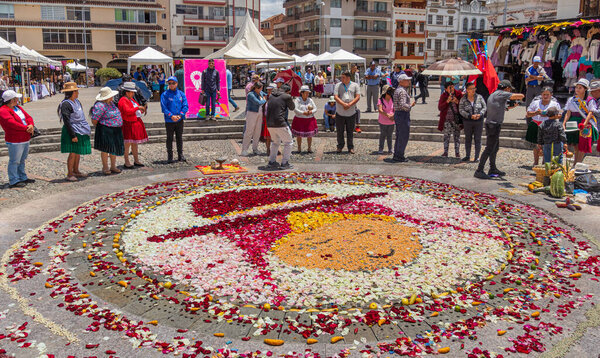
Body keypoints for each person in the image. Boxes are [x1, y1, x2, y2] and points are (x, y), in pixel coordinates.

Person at [474, 80, 524, 179]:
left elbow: (502, 108)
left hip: (492, 124)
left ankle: (493, 168)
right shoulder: (501, 93)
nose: (509, 91)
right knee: (489, 148)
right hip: (494, 125)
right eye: (509, 89)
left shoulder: (494, 94)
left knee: (495, 148)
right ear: (506, 88)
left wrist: (512, 106)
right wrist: (521, 95)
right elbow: (520, 96)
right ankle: (479, 170)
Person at [0, 90, 35, 188]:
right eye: (16, 98)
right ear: (11, 100)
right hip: (15, 139)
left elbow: (28, 117)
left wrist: (31, 125)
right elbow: (11, 123)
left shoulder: (17, 107)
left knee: (22, 159)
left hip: (24, 137)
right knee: (14, 160)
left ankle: (22, 176)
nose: (18, 100)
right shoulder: (3, 110)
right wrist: (26, 128)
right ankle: (14, 179)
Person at [59, 82, 91, 181]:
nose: (77, 93)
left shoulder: (77, 102)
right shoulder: (66, 104)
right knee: (73, 152)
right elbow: (67, 120)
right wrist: (72, 135)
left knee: (78, 151)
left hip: (80, 128)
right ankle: (70, 173)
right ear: (72, 92)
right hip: (72, 129)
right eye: (76, 91)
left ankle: (76, 170)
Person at [90, 87, 124, 175]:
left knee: (113, 148)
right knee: (105, 149)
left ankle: (113, 166)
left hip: (115, 128)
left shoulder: (111, 103)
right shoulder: (100, 105)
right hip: (106, 129)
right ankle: (105, 167)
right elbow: (94, 120)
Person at [563, 78, 597, 165]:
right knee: (576, 145)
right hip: (573, 122)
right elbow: (568, 112)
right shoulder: (572, 100)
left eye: (580, 87)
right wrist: (564, 123)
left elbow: (590, 113)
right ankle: (575, 163)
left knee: (582, 145)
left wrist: (584, 124)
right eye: (576, 87)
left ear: (585, 89)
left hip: (584, 123)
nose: (577, 89)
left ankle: (577, 164)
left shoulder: (589, 100)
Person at [525, 87, 561, 166]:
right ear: (541, 94)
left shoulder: (555, 104)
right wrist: (536, 113)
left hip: (548, 125)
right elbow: (528, 114)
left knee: (546, 144)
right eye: (544, 94)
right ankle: (536, 162)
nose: (545, 96)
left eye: (547, 95)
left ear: (551, 95)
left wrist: (549, 115)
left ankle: (545, 162)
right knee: (535, 144)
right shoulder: (535, 103)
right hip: (536, 124)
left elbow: (559, 115)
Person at [118, 82, 148, 169]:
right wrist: (137, 108)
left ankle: (136, 160)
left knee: (134, 143)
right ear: (127, 92)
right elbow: (128, 111)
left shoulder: (131, 99)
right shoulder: (123, 100)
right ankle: (126, 161)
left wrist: (141, 109)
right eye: (132, 92)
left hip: (134, 122)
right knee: (127, 143)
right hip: (128, 124)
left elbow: (135, 109)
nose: (133, 93)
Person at [266, 84, 295, 169]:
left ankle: (271, 162)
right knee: (289, 142)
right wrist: (290, 98)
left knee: (275, 142)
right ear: (287, 91)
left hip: (269, 123)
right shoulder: (287, 96)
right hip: (280, 122)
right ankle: (285, 163)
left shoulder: (271, 95)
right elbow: (292, 107)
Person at [161, 76, 189, 163]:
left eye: (173, 83)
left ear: (176, 83)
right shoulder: (164, 95)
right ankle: (170, 156)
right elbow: (164, 107)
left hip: (179, 119)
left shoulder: (181, 94)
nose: (172, 85)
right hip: (169, 120)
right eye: (170, 83)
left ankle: (180, 155)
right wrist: (171, 116)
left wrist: (180, 115)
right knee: (169, 138)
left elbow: (185, 105)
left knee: (179, 137)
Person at [459, 82, 487, 162]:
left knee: (478, 139)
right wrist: (469, 116)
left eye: (474, 88)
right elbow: (461, 110)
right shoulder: (463, 99)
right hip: (468, 121)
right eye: (471, 89)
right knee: (468, 138)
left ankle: (477, 157)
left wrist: (480, 114)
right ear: (467, 90)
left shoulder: (479, 97)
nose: (473, 90)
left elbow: (484, 107)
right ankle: (467, 155)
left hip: (479, 121)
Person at [334, 71, 361, 153]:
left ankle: (350, 147)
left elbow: (357, 97)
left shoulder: (355, 85)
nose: (341, 79)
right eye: (341, 77)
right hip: (340, 112)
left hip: (351, 112)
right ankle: (340, 146)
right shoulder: (338, 85)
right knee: (340, 131)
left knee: (350, 131)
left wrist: (349, 104)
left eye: (343, 77)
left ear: (348, 78)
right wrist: (343, 104)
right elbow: (335, 97)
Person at [390, 74, 415, 162]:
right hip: (402, 114)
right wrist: (410, 105)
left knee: (399, 135)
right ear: (401, 81)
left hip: (398, 114)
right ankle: (399, 155)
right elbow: (403, 105)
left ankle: (397, 154)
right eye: (406, 80)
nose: (408, 81)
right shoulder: (402, 91)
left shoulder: (398, 90)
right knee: (403, 135)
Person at [438, 82, 463, 158]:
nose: (452, 89)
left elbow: (463, 106)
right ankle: (445, 152)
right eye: (450, 87)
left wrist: (457, 102)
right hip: (447, 120)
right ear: (446, 89)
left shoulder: (459, 94)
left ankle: (457, 152)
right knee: (446, 136)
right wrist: (447, 101)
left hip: (456, 120)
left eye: (452, 87)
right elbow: (440, 107)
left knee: (457, 137)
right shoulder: (444, 96)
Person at [241, 82, 266, 156]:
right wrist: (264, 100)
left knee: (257, 131)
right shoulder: (250, 94)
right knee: (249, 131)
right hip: (252, 113)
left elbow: (266, 94)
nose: (262, 89)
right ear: (256, 88)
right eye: (261, 88)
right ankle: (244, 149)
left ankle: (255, 148)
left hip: (259, 112)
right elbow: (258, 102)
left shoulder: (260, 92)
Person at [292, 85, 318, 153]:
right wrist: (303, 112)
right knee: (299, 135)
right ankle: (299, 148)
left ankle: (309, 148)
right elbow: (295, 109)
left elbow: (315, 108)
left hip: (309, 119)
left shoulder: (310, 100)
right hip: (300, 119)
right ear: (302, 93)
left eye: (308, 93)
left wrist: (311, 111)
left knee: (309, 135)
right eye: (306, 93)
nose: (307, 94)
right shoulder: (297, 100)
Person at [377, 85, 395, 154]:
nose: (391, 93)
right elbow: (380, 110)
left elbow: (395, 109)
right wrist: (387, 115)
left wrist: (393, 116)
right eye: (389, 91)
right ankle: (381, 148)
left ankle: (390, 149)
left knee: (390, 136)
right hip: (383, 121)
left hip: (391, 121)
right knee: (383, 135)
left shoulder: (393, 99)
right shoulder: (380, 100)